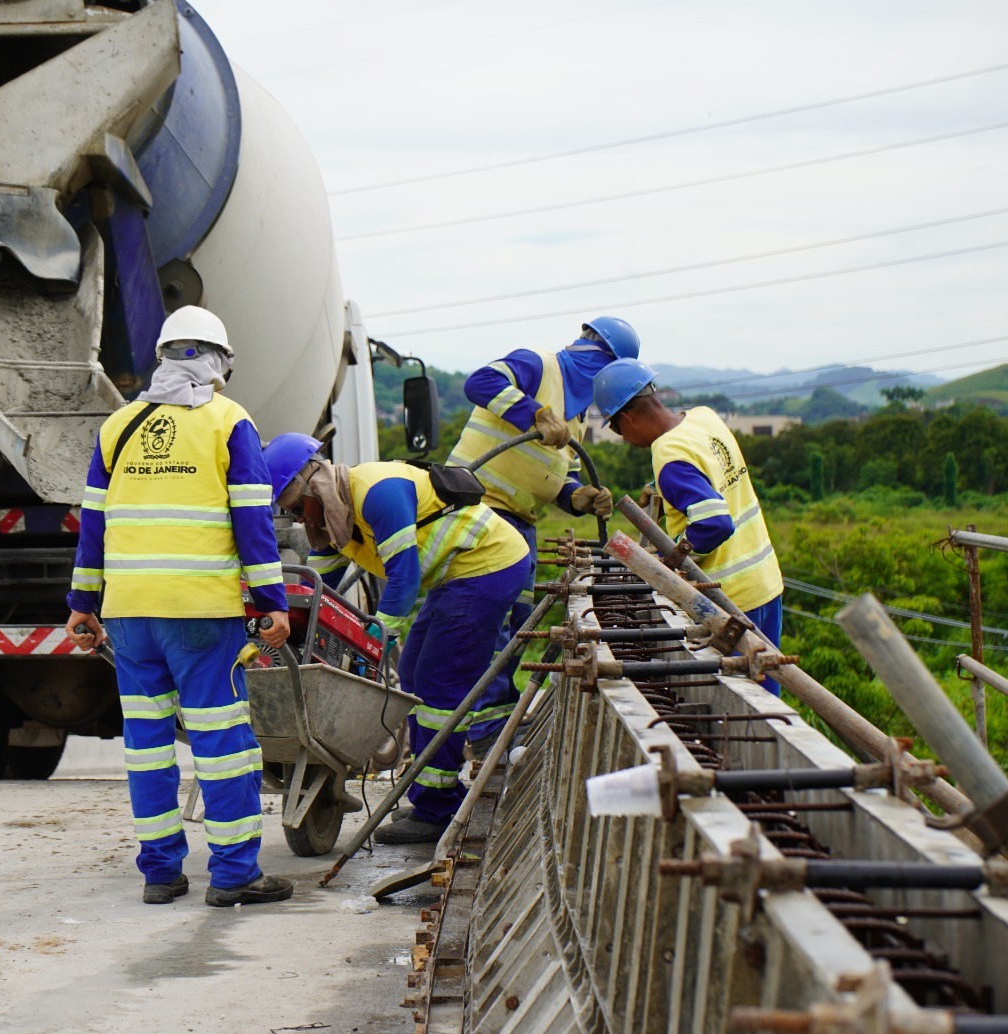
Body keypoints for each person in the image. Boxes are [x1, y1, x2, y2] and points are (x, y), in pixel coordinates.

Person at [65, 306, 295, 907]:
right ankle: (234, 874)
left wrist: (82, 603)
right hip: (201, 614)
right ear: (219, 362)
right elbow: (252, 518)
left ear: (163, 357)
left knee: (146, 745)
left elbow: (94, 523)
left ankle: (161, 874)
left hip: (130, 616)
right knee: (221, 744)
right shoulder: (228, 421)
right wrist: (272, 602)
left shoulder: (117, 426)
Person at [262, 433, 531, 845]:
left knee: (439, 682)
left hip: (486, 565)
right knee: (412, 671)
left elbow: (403, 578)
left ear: (313, 483)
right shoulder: (335, 517)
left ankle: (437, 810)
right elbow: (318, 590)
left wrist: (376, 637)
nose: (299, 519)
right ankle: (435, 793)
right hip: (455, 577)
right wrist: (280, 617)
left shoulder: (377, 494)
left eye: (298, 507)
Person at [446, 316, 638, 751]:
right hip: (480, 508)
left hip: (519, 522)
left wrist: (579, 497)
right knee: (487, 626)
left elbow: (558, 476)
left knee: (514, 625)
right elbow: (480, 381)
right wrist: (532, 411)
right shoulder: (537, 366)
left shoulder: (576, 417)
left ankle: (494, 724)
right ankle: (484, 729)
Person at [593, 362, 785, 694]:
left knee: (745, 708)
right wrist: (664, 488)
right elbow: (708, 473)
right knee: (768, 692)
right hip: (765, 583)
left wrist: (675, 555)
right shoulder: (703, 417)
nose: (623, 438)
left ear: (626, 419)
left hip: (729, 603)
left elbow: (714, 524)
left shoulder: (668, 455)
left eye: (616, 429)